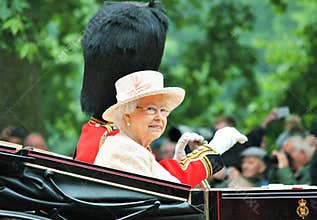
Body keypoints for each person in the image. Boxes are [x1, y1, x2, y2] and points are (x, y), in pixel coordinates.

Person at [94, 70, 247, 187]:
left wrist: (180, 162)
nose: (159, 117)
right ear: (127, 115)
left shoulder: (130, 145)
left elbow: (162, 184)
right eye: (151, 109)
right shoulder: (123, 148)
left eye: (163, 110)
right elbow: (172, 189)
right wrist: (215, 148)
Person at [74, 1, 170, 163]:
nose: (159, 117)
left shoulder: (107, 135)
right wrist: (205, 159)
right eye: (151, 109)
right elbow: (160, 180)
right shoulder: (114, 142)